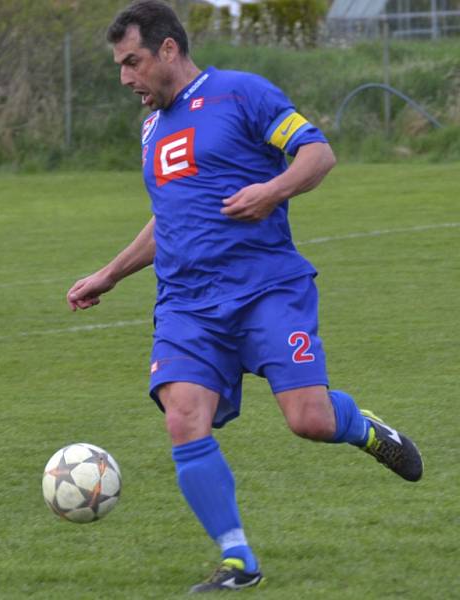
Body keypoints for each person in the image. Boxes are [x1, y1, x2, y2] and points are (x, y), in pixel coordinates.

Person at [66, 0, 422, 593]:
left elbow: (318, 153)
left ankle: (363, 428)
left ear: (169, 50)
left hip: (265, 289)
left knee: (307, 420)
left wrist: (271, 191)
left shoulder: (242, 94)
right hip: (186, 303)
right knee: (184, 418)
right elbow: (169, 218)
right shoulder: (151, 126)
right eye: (120, 66)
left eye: (133, 62)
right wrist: (110, 273)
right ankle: (239, 561)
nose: (126, 78)